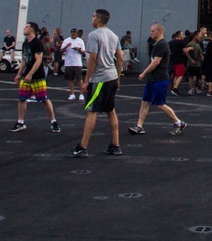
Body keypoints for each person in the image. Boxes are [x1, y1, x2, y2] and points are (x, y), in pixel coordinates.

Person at [73, 9, 123, 158]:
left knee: (91, 111)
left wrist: (87, 81)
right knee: (110, 110)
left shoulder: (93, 35)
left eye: (94, 16)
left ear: (99, 20)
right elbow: (120, 59)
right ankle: (115, 144)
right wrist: (118, 79)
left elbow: (92, 59)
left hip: (100, 79)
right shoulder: (114, 35)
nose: (92, 19)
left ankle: (83, 146)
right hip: (112, 77)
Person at [127, 23, 187, 137]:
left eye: (153, 30)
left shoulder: (162, 45)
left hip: (160, 78)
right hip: (152, 78)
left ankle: (178, 122)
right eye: (151, 30)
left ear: (160, 31)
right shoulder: (156, 44)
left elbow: (156, 62)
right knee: (145, 102)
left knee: (160, 104)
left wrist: (144, 72)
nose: (151, 32)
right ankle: (139, 126)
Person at [10, 22, 60, 133]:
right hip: (26, 75)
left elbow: (38, 60)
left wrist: (30, 74)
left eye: (26, 27)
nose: (24, 28)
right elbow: (24, 59)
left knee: (44, 99)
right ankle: (20, 122)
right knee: (22, 99)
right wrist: (19, 74)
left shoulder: (37, 43)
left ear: (32, 30)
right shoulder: (25, 44)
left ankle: (53, 122)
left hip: (37, 76)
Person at [61, 28, 86, 100]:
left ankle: (81, 94)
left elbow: (84, 53)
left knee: (79, 79)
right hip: (69, 63)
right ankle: (72, 93)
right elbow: (61, 51)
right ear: (70, 33)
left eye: (75, 34)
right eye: (72, 34)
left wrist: (78, 49)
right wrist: (66, 46)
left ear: (77, 34)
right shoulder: (66, 40)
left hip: (77, 63)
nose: (74, 35)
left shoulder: (80, 41)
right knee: (70, 79)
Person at [168, 31, 187, 96]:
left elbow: (169, 51)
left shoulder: (170, 42)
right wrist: (189, 49)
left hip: (173, 60)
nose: (183, 35)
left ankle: (174, 87)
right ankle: (175, 88)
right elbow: (185, 51)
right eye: (182, 34)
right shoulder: (182, 42)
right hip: (180, 60)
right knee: (181, 75)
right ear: (179, 35)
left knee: (176, 74)